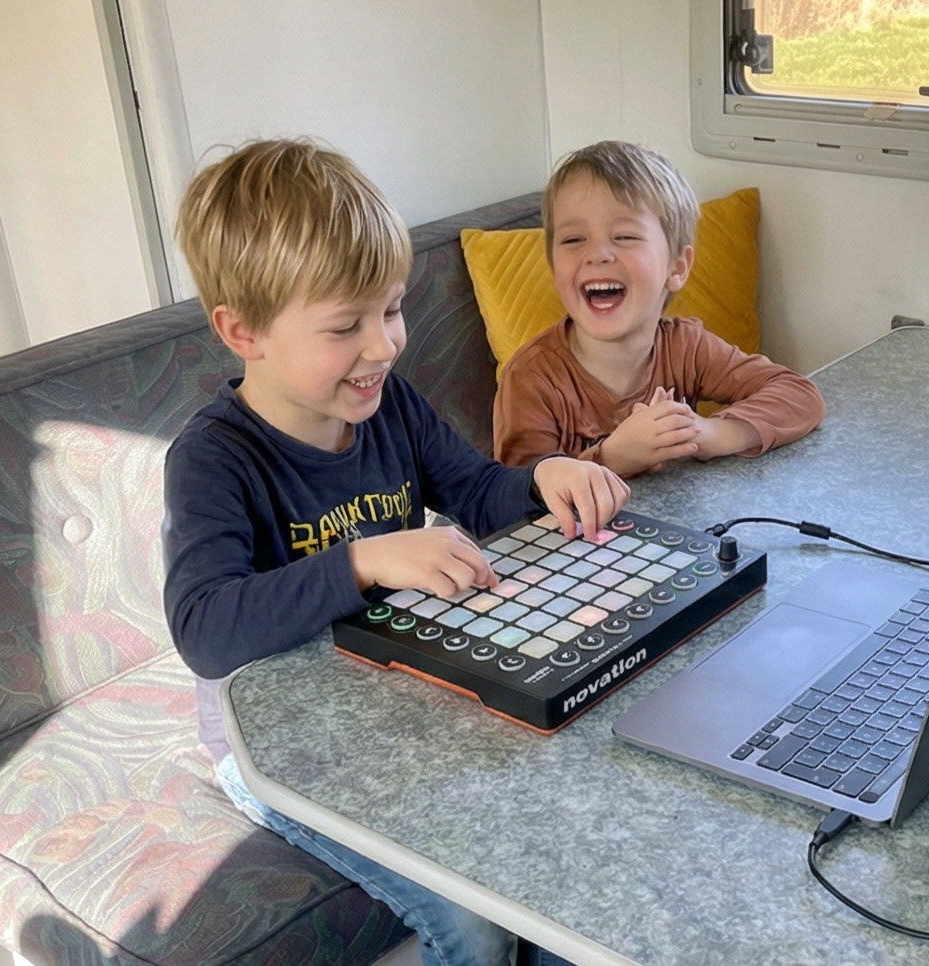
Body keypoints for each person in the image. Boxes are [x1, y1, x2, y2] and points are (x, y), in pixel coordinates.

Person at [163, 137, 627, 966]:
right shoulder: (212, 460)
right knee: (474, 924)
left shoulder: (389, 405)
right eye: (346, 325)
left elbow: (475, 490)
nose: (384, 345)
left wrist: (544, 477)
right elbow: (205, 628)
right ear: (242, 331)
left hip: (388, 706)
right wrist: (364, 560)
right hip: (273, 751)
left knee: (563, 824)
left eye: (392, 310)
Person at [493, 139, 825, 478]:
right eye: (573, 239)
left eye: (624, 236)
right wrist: (614, 458)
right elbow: (516, 498)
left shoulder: (687, 347)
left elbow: (799, 395)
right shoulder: (530, 379)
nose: (597, 254)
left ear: (677, 268)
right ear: (553, 268)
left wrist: (706, 434)